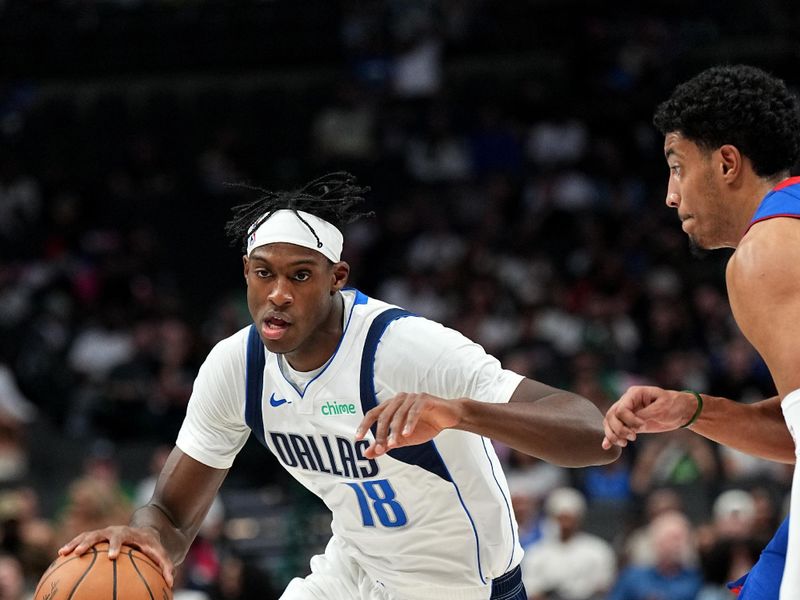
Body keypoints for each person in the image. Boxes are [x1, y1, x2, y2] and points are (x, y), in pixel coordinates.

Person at [59, 172, 619, 600]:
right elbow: (173, 514)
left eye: (300, 275)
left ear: (337, 278)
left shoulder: (406, 348)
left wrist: (461, 413)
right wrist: (145, 537)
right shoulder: (236, 367)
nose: (278, 293)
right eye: (263, 273)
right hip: (355, 570)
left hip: (461, 585)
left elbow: (591, 434)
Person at [601, 64, 800, 600]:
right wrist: (692, 411)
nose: (670, 195)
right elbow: (796, 432)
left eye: (677, 167)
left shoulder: (765, 253)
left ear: (727, 162)